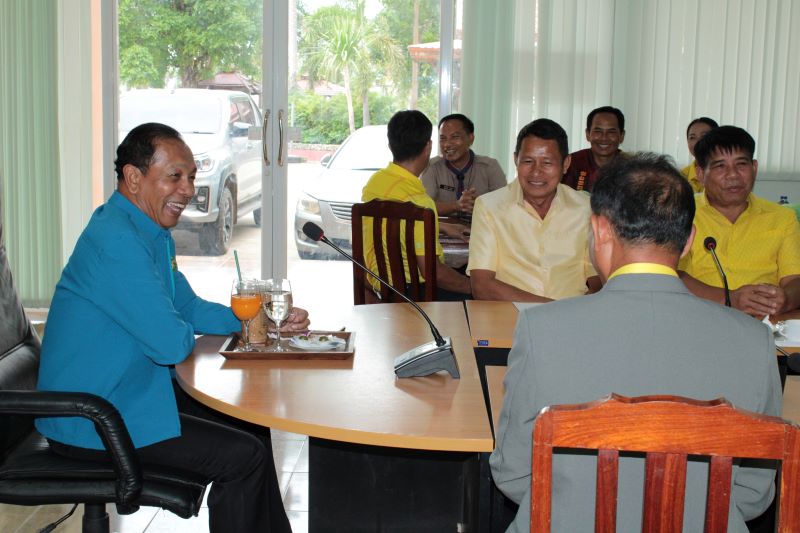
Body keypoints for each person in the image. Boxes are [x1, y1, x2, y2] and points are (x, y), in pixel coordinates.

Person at [36, 122, 310, 533]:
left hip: (129, 396)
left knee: (251, 424)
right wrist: (175, 324)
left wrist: (264, 322)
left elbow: (187, 307)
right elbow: (171, 344)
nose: (188, 189)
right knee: (243, 458)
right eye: (175, 176)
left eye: (192, 177)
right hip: (94, 419)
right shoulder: (117, 241)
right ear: (133, 178)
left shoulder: (148, 232)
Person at [491, 152, 780, 532]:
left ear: (600, 230)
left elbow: (513, 472)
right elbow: (754, 491)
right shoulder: (755, 340)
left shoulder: (540, 328)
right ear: (689, 240)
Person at [468, 118, 598, 302]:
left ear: (566, 164)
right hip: (510, 314)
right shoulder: (489, 207)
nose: (536, 172)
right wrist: (554, 309)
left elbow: (597, 276)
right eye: (528, 161)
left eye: (547, 163)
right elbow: (482, 286)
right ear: (516, 160)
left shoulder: (586, 208)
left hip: (574, 314)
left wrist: (586, 308)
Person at [678, 125, 800, 318]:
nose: (733, 175)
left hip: (764, 322)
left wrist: (786, 299)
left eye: (741, 164)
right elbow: (671, 275)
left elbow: (794, 279)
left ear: (754, 168)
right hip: (698, 318)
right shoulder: (680, 213)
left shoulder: (782, 217)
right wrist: (730, 298)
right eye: (720, 166)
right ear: (700, 174)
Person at [362, 110, 472, 300]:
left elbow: (392, 223)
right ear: (428, 146)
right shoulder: (420, 203)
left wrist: (441, 226)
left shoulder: (375, 183)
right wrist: (475, 287)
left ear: (390, 145)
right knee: (475, 288)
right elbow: (433, 272)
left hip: (383, 288)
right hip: (414, 296)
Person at [421, 113, 506, 217]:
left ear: (471, 138)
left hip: (481, 225)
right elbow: (423, 207)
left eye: (455, 137)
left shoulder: (490, 167)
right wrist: (456, 205)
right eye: (443, 138)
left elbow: (504, 204)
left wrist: (479, 205)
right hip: (444, 226)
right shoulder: (431, 167)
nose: (447, 144)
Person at [561, 106, 626, 192]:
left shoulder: (631, 168)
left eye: (611, 132)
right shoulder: (571, 163)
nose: (604, 138)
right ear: (588, 134)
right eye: (598, 131)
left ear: (621, 136)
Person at [680, 116, 718, 192]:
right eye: (692, 137)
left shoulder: (727, 173)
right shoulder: (680, 177)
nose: (698, 142)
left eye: (704, 136)